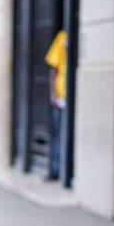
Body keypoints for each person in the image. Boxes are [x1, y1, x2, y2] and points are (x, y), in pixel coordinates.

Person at [45, 30, 67, 181]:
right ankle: (55, 170)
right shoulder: (62, 37)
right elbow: (53, 69)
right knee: (58, 134)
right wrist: (53, 94)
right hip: (61, 98)